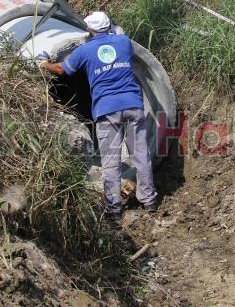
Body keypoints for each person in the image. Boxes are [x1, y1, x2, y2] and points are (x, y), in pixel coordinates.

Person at [39, 11, 158, 221]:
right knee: (140, 155)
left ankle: (114, 209)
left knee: (111, 161)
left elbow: (61, 70)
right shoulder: (124, 43)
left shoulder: (85, 50)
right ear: (109, 26)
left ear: (89, 30)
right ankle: (149, 200)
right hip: (133, 105)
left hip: (107, 110)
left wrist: (44, 63)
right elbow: (119, 35)